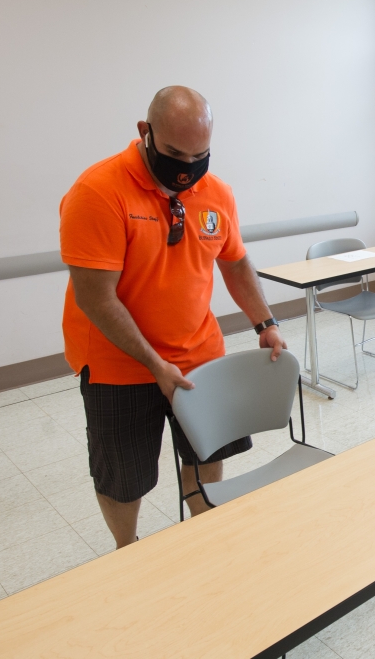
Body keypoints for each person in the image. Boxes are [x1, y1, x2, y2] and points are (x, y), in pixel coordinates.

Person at [60, 86, 287, 548]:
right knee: (124, 476)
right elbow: (96, 299)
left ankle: (203, 538)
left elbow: (235, 260)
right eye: (174, 153)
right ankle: (129, 551)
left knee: (206, 452)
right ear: (145, 133)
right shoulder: (98, 192)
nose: (187, 167)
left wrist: (265, 323)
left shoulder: (215, 192)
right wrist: (154, 364)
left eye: (199, 154)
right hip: (118, 365)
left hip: (199, 355)